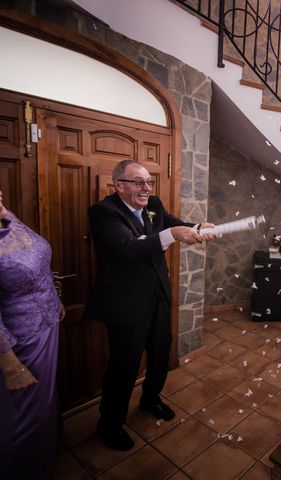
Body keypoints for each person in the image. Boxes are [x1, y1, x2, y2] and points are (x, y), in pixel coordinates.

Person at [85, 159, 216, 451]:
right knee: (124, 366)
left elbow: (172, 224)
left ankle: (150, 399)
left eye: (148, 181)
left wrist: (197, 227)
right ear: (119, 185)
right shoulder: (103, 213)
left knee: (160, 354)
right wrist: (173, 235)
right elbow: (129, 248)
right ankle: (110, 425)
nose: (146, 188)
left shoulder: (153, 204)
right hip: (124, 303)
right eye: (138, 182)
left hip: (157, 295)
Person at [0, 188, 65, 478]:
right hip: (20, 342)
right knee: (23, 416)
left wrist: (56, 299)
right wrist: (10, 365)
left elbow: (37, 264)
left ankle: (44, 459)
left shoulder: (8, 220)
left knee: (44, 406)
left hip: (48, 326)